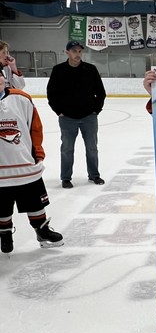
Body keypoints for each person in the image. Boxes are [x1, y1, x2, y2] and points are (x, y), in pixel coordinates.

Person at [0, 71, 63, 253]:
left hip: (25, 165)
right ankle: (5, 233)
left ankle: (42, 230)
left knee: (35, 202)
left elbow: (35, 128)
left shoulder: (22, 99)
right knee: (2, 206)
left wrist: (38, 153)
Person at [46, 41, 107, 188]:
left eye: (79, 51)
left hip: (88, 117)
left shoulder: (90, 69)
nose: (77, 54)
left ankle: (94, 175)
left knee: (92, 147)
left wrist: (96, 110)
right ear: (67, 52)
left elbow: (100, 92)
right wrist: (58, 111)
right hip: (67, 118)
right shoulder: (58, 70)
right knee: (67, 149)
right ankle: (66, 178)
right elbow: (52, 93)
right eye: (74, 51)